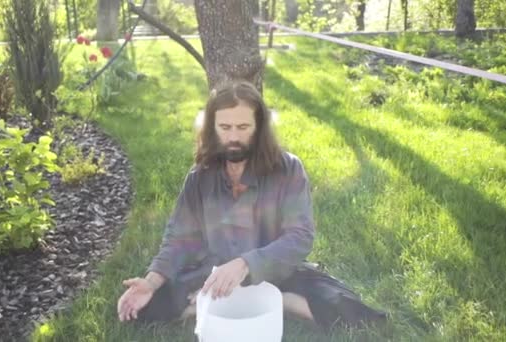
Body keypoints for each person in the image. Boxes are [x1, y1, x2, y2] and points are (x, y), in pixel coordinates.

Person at [117, 80, 386, 329]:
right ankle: (215, 300)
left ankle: (276, 301)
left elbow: (300, 236)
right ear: (212, 128)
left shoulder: (288, 169)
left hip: (275, 272)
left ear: (259, 128)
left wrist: (246, 264)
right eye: (225, 128)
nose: (233, 136)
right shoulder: (199, 177)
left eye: (243, 127)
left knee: (353, 313)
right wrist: (151, 282)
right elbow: (178, 239)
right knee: (141, 308)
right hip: (213, 274)